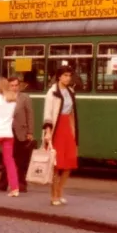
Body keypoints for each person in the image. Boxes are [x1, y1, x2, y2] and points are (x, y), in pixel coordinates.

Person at [0, 75, 34, 193]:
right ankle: (2, 183)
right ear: (8, 86)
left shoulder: (25, 98)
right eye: (12, 85)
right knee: (6, 159)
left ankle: (21, 184)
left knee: (21, 160)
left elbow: (30, 115)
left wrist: (30, 132)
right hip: (7, 131)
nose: (15, 88)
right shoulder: (4, 98)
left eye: (16, 85)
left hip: (21, 132)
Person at [43, 65, 79, 207]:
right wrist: (48, 131)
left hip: (67, 128)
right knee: (56, 164)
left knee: (69, 162)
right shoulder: (52, 92)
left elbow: (71, 113)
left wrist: (73, 131)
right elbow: (47, 113)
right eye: (65, 75)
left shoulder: (71, 91)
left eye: (69, 76)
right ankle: (54, 196)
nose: (68, 78)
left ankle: (60, 190)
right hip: (56, 129)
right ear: (59, 76)